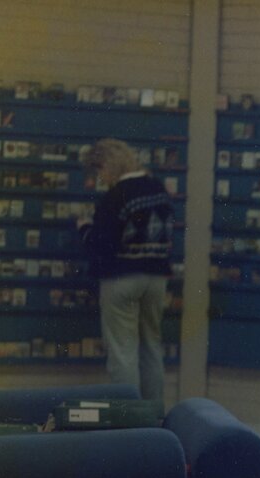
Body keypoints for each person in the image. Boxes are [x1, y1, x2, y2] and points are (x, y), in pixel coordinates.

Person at [78, 138, 175, 403]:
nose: (99, 178)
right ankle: (154, 416)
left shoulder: (115, 196)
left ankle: (129, 418)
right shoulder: (158, 188)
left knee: (122, 353)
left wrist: (84, 228)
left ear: (107, 166)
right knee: (151, 349)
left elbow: (101, 246)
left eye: (99, 171)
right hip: (156, 279)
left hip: (121, 278)